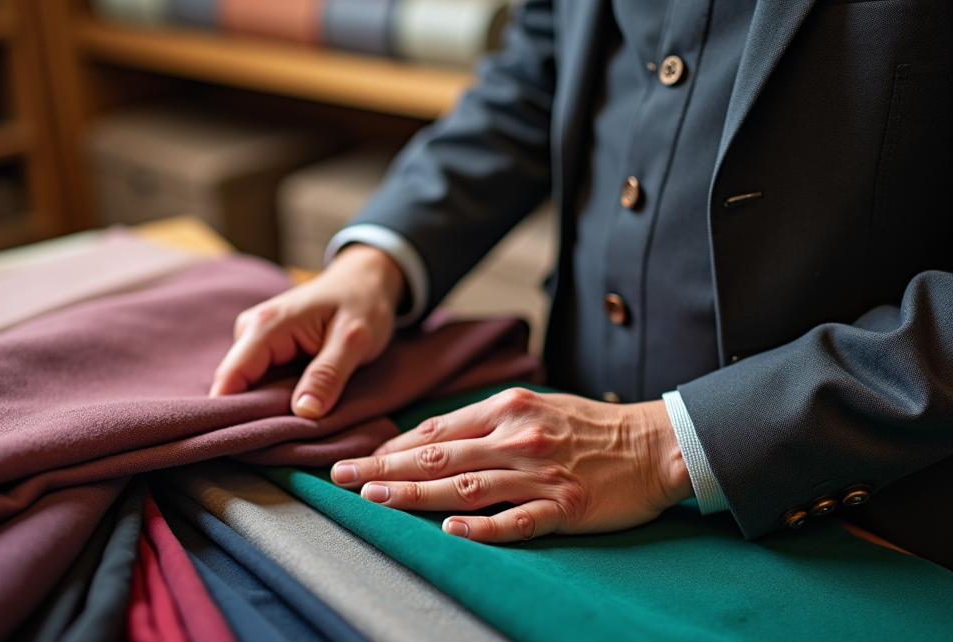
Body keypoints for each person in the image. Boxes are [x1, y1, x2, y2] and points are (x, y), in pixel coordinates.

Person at [211, 0, 952, 562]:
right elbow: (537, 68)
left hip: (877, 524)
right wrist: (380, 260)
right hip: (555, 458)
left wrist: (662, 445)